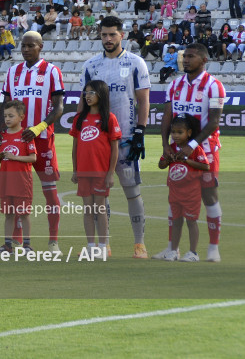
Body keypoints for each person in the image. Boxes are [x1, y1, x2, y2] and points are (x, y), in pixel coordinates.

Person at [80, 16, 150, 258]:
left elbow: (143, 100)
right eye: (104, 35)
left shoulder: (136, 63)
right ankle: (104, 245)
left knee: (132, 191)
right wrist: (80, 131)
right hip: (98, 142)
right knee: (100, 195)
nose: (108, 39)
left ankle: (139, 244)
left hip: (126, 139)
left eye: (112, 34)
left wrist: (140, 131)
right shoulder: (90, 65)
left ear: (122, 35)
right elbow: (83, 102)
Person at [155, 44, 226, 263]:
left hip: (206, 151)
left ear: (204, 60)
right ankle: (172, 248)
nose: (185, 60)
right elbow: (167, 116)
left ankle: (213, 248)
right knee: (175, 196)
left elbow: (214, 121)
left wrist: (193, 144)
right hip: (178, 151)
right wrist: (165, 144)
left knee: (209, 196)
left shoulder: (214, 86)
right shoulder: (174, 84)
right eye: (184, 56)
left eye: (191, 56)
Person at [0, 32, 65, 253]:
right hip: (16, 141)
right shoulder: (12, 72)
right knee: (16, 193)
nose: (26, 49)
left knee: (49, 191)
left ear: (40, 46)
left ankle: (53, 241)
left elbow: (59, 107)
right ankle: (16, 241)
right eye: (23, 46)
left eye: (30, 46)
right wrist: (1, 128)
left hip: (42, 139)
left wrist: (38, 127)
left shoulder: (51, 71)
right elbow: (6, 104)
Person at [69, 80, 120, 255]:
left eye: (92, 93)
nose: (88, 96)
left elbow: (114, 149)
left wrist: (110, 173)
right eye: (86, 93)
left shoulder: (109, 118)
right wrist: (75, 170)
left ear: (101, 95)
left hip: (101, 172)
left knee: (100, 209)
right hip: (84, 172)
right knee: (88, 209)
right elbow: (75, 147)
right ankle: (91, 246)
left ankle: (103, 246)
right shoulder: (79, 119)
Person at [157, 115, 211, 262]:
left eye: (180, 132)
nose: (176, 135)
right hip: (174, 192)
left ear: (189, 132)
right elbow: (160, 165)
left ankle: (193, 253)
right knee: (176, 221)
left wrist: (187, 161)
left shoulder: (194, 149)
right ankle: (173, 251)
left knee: (191, 221)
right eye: (173, 132)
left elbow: (206, 166)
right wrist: (166, 160)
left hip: (191, 193)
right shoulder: (170, 148)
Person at [0, 100, 38, 253]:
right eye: (5, 116)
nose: (7, 119)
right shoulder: (2, 136)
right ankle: (7, 245)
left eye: (11, 116)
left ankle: (27, 245)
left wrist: (14, 157)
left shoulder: (26, 135)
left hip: (22, 182)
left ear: (21, 117)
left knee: (24, 214)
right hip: (6, 182)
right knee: (8, 214)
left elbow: (33, 158)